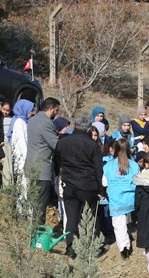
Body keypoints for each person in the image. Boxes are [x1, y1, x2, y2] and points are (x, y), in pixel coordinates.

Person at [55, 116, 103, 257]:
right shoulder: (92, 145)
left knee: (71, 218)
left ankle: (70, 249)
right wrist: (101, 189)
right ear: (88, 129)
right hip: (88, 186)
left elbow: (56, 162)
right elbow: (98, 170)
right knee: (91, 217)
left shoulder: (62, 142)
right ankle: (92, 249)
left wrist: (58, 175)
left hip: (69, 185)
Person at [24, 97, 61, 224]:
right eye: (56, 110)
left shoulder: (32, 120)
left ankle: (32, 231)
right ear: (51, 109)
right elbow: (56, 145)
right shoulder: (47, 123)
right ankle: (37, 235)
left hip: (31, 165)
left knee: (34, 203)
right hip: (42, 169)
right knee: (40, 204)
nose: (57, 113)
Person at [102, 138, 139, 258]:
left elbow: (104, 183)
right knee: (126, 220)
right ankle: (129, 236)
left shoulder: (108, 166)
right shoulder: (134, 165)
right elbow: (138, 181)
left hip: (116, 199)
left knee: (119, 225)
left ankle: (124, 249)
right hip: (131, 198)